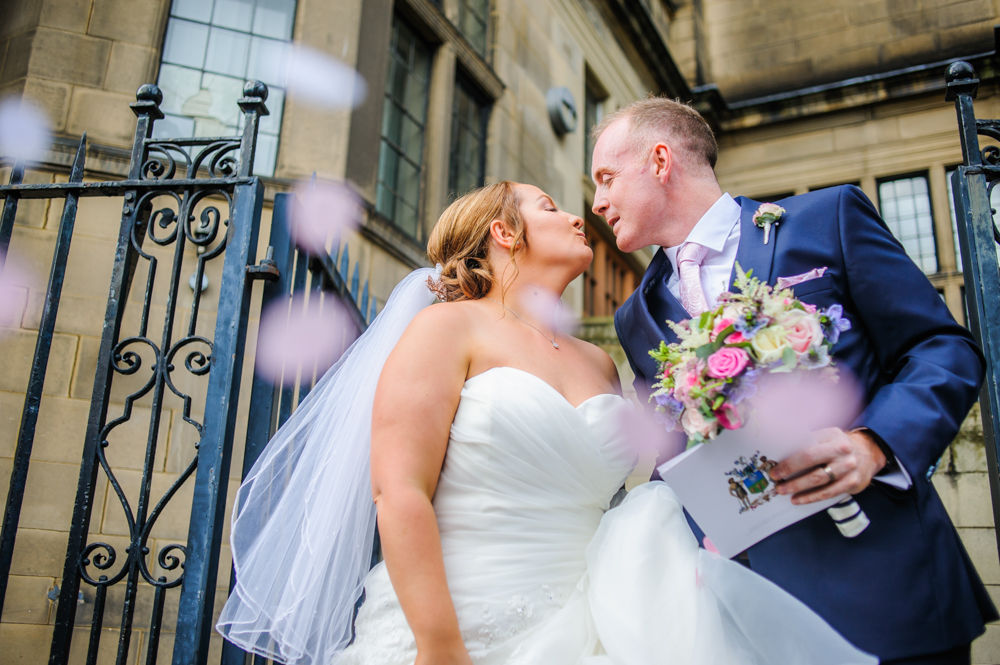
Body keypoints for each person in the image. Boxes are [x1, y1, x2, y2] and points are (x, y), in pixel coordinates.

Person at [216, 181, 877, 665]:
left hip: (595, 621)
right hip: (460, 619)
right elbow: (399, 491)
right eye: (548, 206)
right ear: (505, 232)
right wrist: (439, 643)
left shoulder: (601, 361)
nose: (575, 214)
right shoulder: (446, 329)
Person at [591, 96, 999, 665]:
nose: (597, 201)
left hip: (884, 581)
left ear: (660, 161)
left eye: (606, 178)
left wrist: (875, 443)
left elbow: (941, 349)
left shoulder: (826, 220)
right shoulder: (636, 315)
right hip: (748, 612)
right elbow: (672, 453)